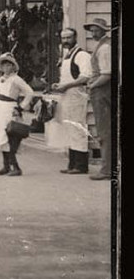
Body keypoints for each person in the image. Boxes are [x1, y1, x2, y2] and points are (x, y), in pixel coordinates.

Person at [0, 53, 35, 176]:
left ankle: (15, 167)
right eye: (4, 65)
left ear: (13, 66)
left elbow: (29, 92)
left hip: (8, 109)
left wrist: (20, 107)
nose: (6, 67)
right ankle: (6, 166)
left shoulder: (16, 79)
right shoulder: (2, 79)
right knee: (0, 136)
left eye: (8, 65)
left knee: (9, 137)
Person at [50, 27, 94, 174]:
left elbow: (85, 77)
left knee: (77, 127)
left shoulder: (82, 55)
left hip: (76, 95)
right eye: (63, 38)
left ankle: (81, 165)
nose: (66, 41)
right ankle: (72, 164)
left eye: (69, 38)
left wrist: (67, 85)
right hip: (66, 95)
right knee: (69, 128)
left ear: (75, 38)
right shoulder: (67, 55)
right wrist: (60, 85)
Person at [84, 17, 113, 181]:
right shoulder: (102, 46)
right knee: (104, 130)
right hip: (100, 90)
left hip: (102, 91)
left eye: (96, 30)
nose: (93, 33)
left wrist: (92, 86)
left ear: (103, 30)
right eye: (92, 30)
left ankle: (106, 169)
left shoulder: (105, 48)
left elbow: (107, 74)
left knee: (104, 131)